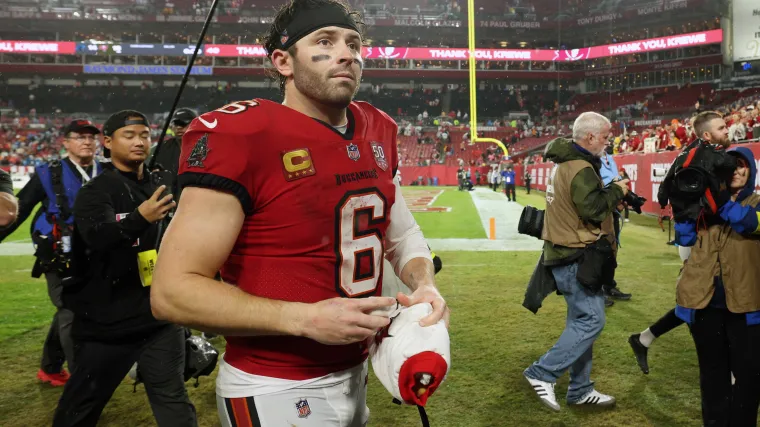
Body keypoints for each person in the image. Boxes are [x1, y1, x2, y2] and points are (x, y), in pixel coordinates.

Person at [150, 1, 449, 426]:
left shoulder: (377, 127)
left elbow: (401, 235)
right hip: (273, 384)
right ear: (283, 61)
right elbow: (171, 292)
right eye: (324, 42)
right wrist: (303, 318)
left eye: (353, 44)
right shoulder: (243, 134)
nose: (346, 54)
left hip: (357, 372)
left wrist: (424, 284)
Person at [53, 111, 197, 427]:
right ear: (107, 142)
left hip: (158, 318)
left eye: (144, 135)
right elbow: (97, 239)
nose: (139, 141)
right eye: (129, 135)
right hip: (107, 324)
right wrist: (139, 219)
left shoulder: (159, 185)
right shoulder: (96, 191)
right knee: (81, 406)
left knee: (172, 398)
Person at [523, 112, 629, 412]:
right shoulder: (580, 167)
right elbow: (593, 210)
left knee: (580, 322)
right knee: (592, 320)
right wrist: (617, 190)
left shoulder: (565, 162)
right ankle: (542, 372)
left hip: (564, 251)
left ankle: (580, 389)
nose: (608, 142)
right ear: (590, 136)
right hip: (574, 254)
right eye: (605, 137)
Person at [0, 119, 103, 386]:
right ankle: (82, 380)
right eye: (80, 137)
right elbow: (19, 210)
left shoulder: (106, 170)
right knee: (70, 309)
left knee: (73, 309)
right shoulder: (48, 172)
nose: (87, 142)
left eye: (91, 137)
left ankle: (50, 367)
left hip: (98, 252)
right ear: (65, 142)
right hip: (59, 253)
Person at [629, 111, 731, 375]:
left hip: (700, 237)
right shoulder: (701, 157)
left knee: (704, 299)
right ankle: (724, 368)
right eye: (721, 128)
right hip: (699, 238)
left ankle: (644, 338)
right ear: (707, 134)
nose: (727, 130)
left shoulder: (692, 155)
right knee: (704, 301)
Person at [674, 146, 760, 426]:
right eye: (729, 165)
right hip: (705, 306)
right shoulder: (704, 204)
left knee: (748, 381)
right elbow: (685, 240)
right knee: (712, 379)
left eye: (741, 165)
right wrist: (682, 208)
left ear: (751, 170)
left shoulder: (757, 203)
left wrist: (720, 201)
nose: (735, 170)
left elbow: (749, 223)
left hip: (748, 308)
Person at [598, 149, 632, 304]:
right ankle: (596, 289)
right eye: (604, 137)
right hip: (601, 208)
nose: (607, 141)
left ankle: (608, 285)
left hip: (613, 207)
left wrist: (621, 198)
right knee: (600, 248)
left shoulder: (609, 157)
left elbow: (615, 180)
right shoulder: (590, 157)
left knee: (612, 247)